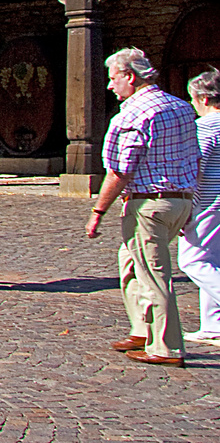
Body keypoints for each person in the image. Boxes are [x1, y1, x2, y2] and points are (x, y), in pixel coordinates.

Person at [86, 47, 200, 367]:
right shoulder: (181, 107)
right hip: (179, 201)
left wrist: (98, 212)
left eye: (113, 79)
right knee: (129, 261)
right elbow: (195, 156)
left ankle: (166, 348)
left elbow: (120, 171)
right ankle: (141, 329)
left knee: (154, 275)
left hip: (149, 204)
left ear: (130, 77)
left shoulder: (132, 114)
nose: (110, 86)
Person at [180, 69, 220, 345]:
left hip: (209, 201)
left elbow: (197, 168)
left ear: (204, 98)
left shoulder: (205, 126)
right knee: (213, 260)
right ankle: (213, 324)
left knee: (193, 261)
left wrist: (187, 210)